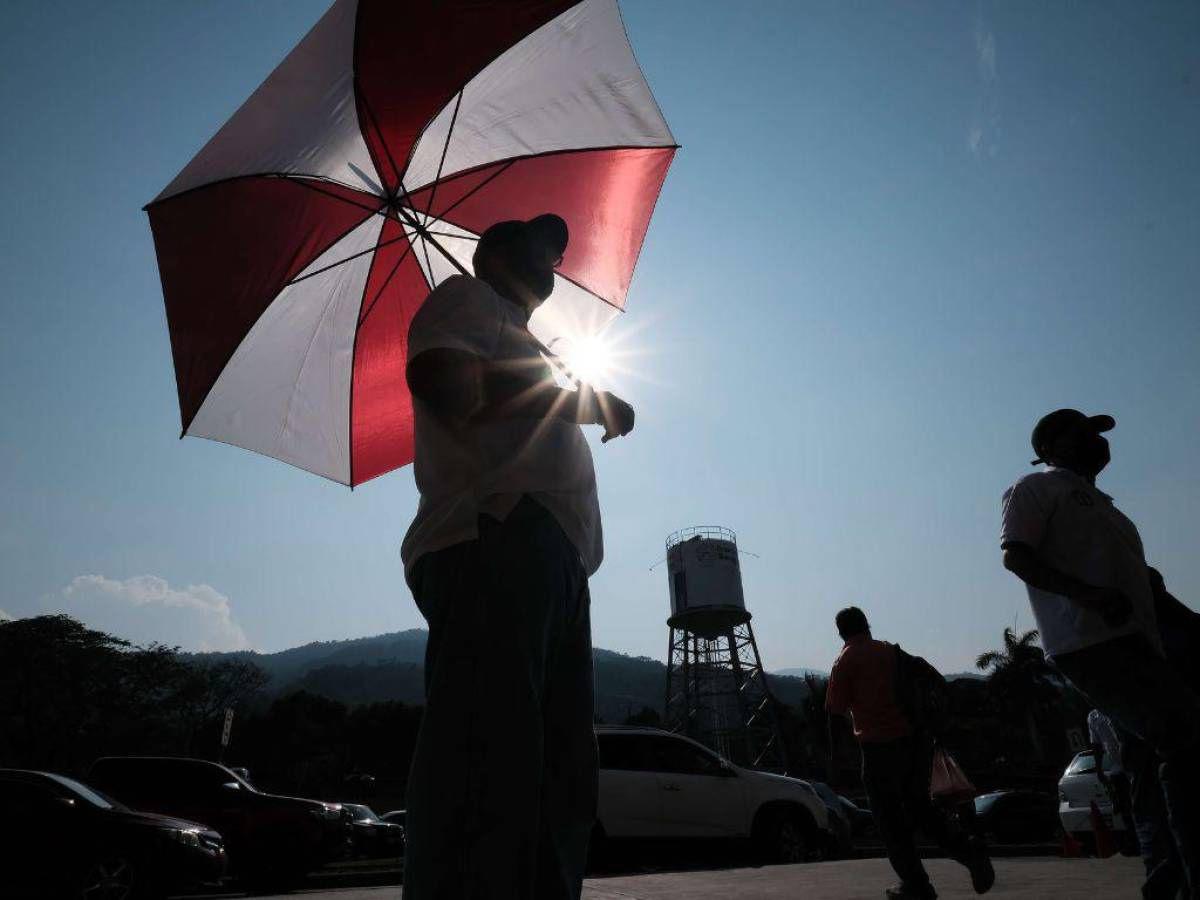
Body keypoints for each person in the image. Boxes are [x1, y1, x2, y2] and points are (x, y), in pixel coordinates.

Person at [400, 214, 635, 900]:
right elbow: (447, 384)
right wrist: (581, 401)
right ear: (495, 254)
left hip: (555, 561)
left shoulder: (526, 335)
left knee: (560, 777)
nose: (552, 263)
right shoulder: (461, 299)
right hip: (496, 536)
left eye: (557, 254)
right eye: (540, 249)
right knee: (489, 760)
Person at [1000, 408, 1200, 898]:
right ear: (1050, 445)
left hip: (1139, 645)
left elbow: (1147, 589)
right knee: (1183, 739)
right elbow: (1016, 555)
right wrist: (1088, 596)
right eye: (1084, 431)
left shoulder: (1109, 511)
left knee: (1150, 767)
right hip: (1091, 643)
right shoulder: (1038, 488)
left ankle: (1167, 881)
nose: (1096, 440)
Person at [826, 606, 994, 899]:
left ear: (840, 632)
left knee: (890, 822)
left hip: (878, 750)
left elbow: (834, 712)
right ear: (867, 625)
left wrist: (836, 759)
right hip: (915, 745)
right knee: (921, 810)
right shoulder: (892, 652)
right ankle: (968, 852)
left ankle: (916, 884)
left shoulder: (845, 660)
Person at [1087, 708, 1138, 852]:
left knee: (1140, 804)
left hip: (1135, 765)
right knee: (1124, 807)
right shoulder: (1093, 717)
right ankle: (1133, 839)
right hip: (1117, 768)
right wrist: (1099, 769)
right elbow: (1096, 745)